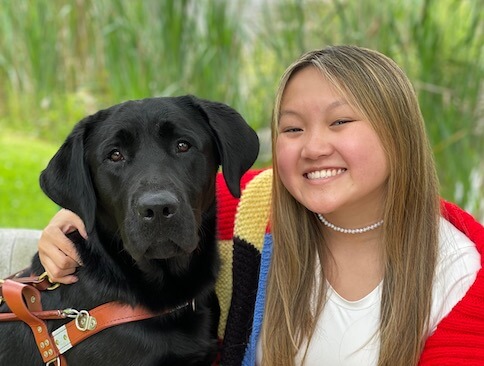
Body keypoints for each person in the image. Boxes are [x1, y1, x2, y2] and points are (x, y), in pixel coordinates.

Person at [38, 45, 484, 366]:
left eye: (340, 121)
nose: (313, 147)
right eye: (292, 129)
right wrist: (76, 214)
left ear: (398, 132)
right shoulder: (254, 211)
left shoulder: (460, 276)